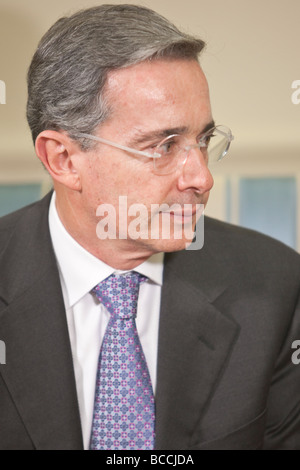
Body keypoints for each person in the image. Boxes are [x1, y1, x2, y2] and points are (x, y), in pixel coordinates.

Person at [0, 4, 299, 451]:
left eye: (203, 140)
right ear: (63, 160)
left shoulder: (275, 284)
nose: (201, 178)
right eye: (164, 145)